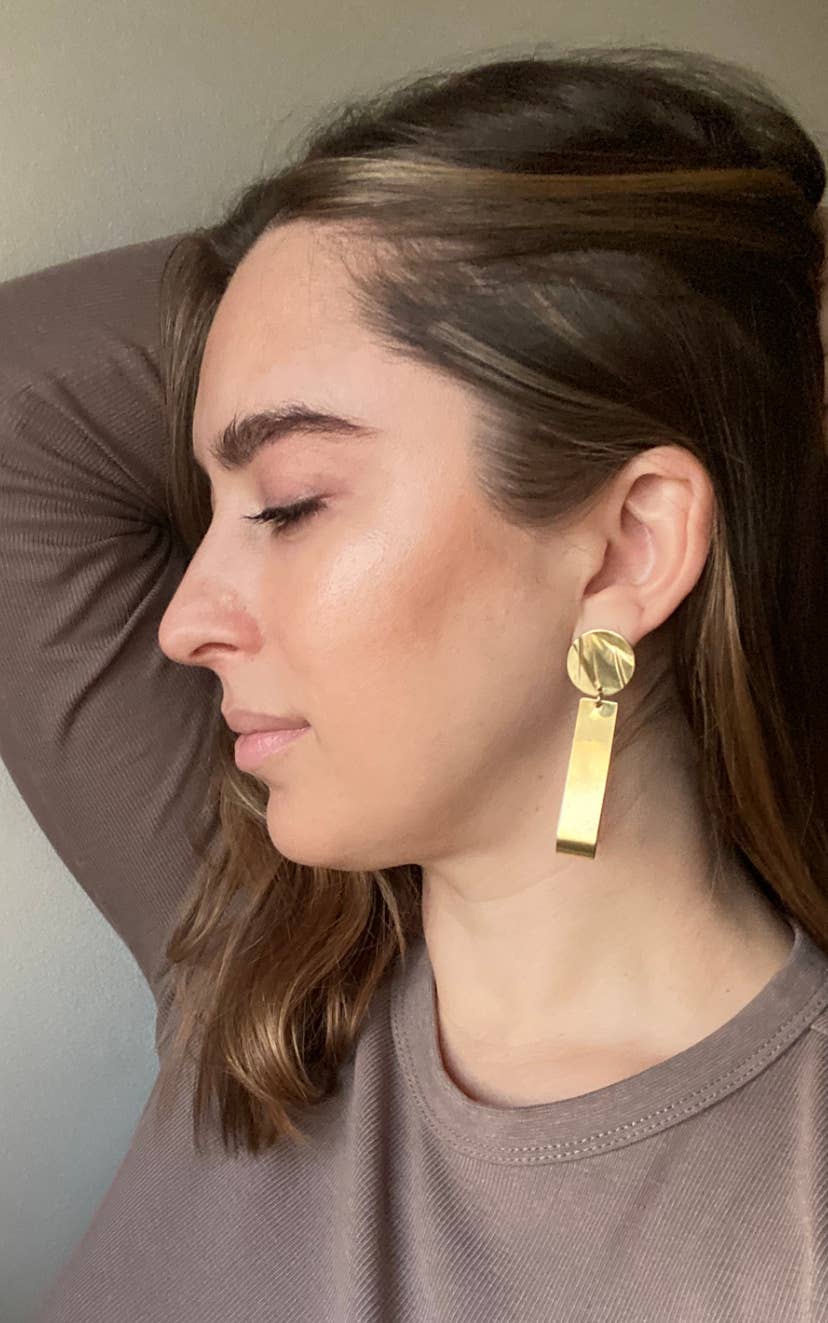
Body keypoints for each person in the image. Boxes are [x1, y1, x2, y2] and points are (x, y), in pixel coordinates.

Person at [2, 43, 827, 1323]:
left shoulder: (794, 1222)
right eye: (210, 508)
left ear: (628, 547)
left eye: (288, 504)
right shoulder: (264, 962)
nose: (184, 622)